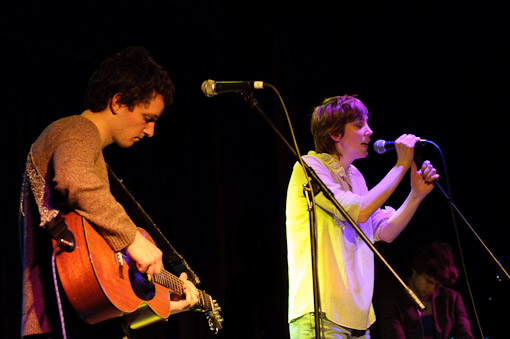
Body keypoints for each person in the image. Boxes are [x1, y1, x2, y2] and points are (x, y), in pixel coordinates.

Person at [19, 46, 199, 338]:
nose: (151, 131)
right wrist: (133, 240)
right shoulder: (78, 129)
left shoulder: (93, 162)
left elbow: (102, 296)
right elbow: (73, 179)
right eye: (147, 117)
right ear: (118, 102)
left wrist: (163, 303)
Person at [286, 95, 440, 339]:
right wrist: (400, 165)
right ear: (335, 134)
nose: (369, 132)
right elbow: (359, 210)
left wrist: (416, 195)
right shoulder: (309, 167)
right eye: (359, 125)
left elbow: (385, 231)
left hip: (357, 318)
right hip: (321, 315)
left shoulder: (356, 176)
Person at [374, 242, 474, 339]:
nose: (432, 289)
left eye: (437, 285)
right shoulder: (391, 299)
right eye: (428, 281)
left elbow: (465, 334)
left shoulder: (452, 298)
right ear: (415, 270)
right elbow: (392, 335)